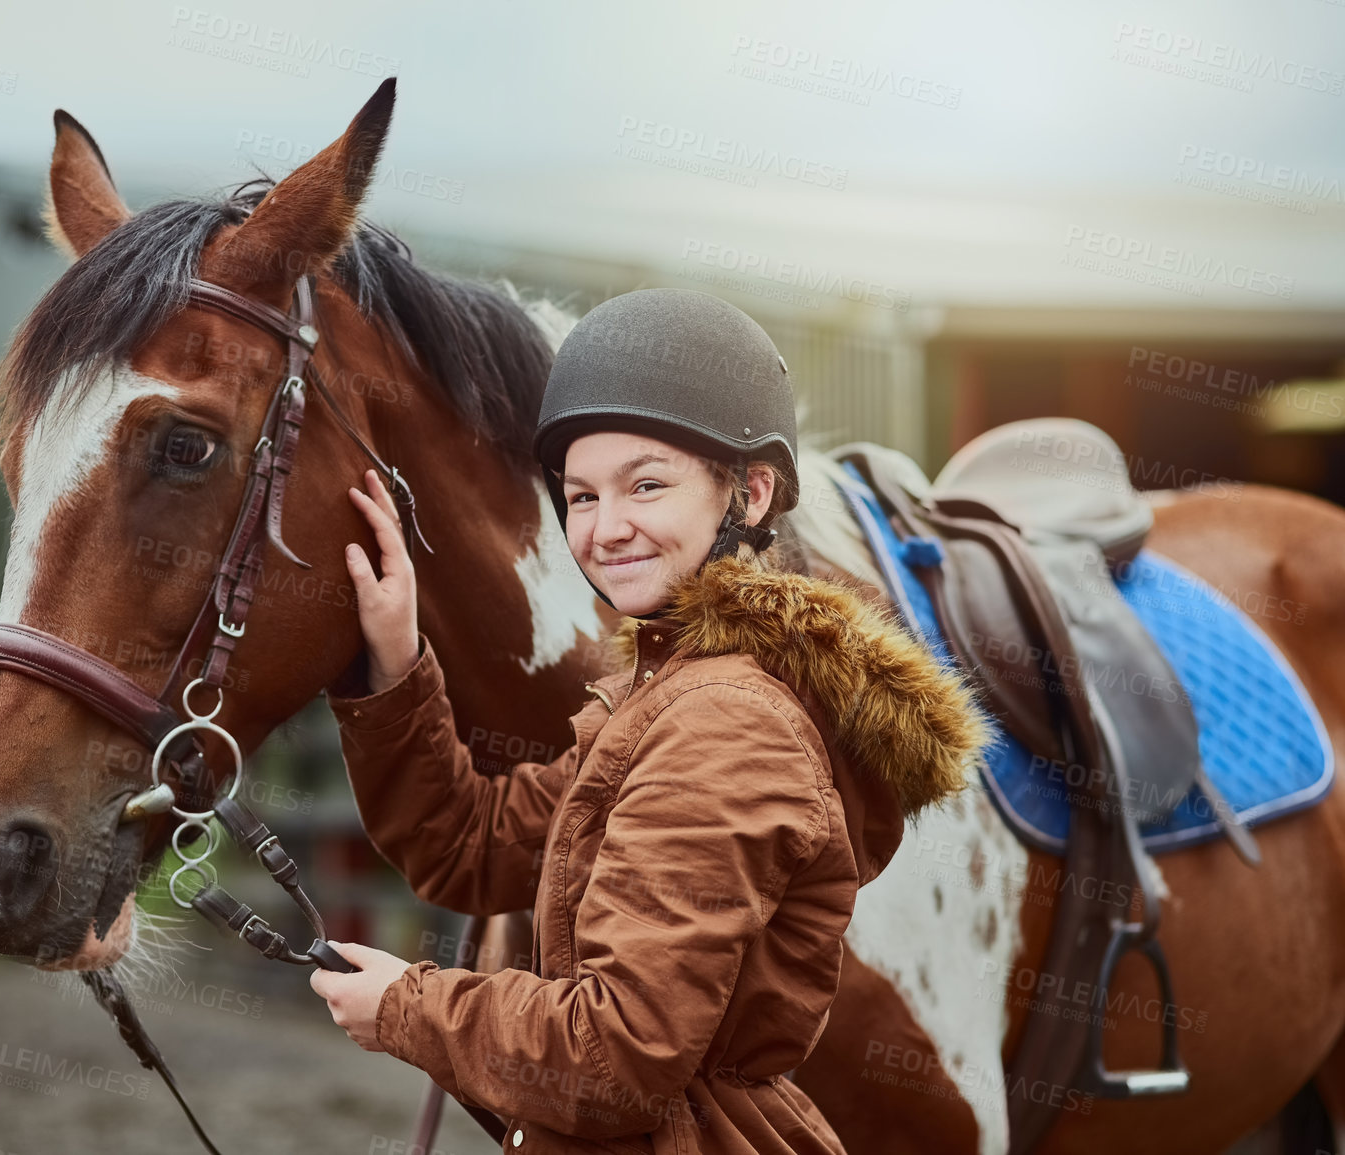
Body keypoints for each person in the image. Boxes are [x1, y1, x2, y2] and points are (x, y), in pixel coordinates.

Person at [310, 288, 988, 1154]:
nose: (605, 528)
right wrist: (396, 666)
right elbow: (470, 846)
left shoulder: (725, 726)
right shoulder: (663, 692)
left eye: (646, 485)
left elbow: (613, 1058)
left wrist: (406, 1006)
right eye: (581, 496)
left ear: (748, 494)